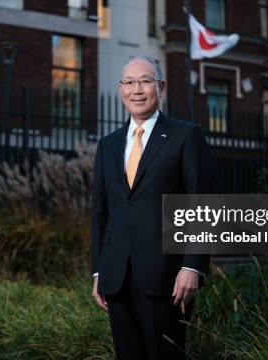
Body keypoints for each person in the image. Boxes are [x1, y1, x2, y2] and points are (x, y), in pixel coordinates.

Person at [91, 55, 213, 359]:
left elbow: (203, 204)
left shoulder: (186, 136)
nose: (137, 89)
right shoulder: (108, 145)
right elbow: (100, 213)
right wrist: (97, 272)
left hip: (167, 277)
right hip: (116, 276)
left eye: (145, 81)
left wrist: (192, 265)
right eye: (129, 82)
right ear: (120, 90)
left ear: (160, 87)